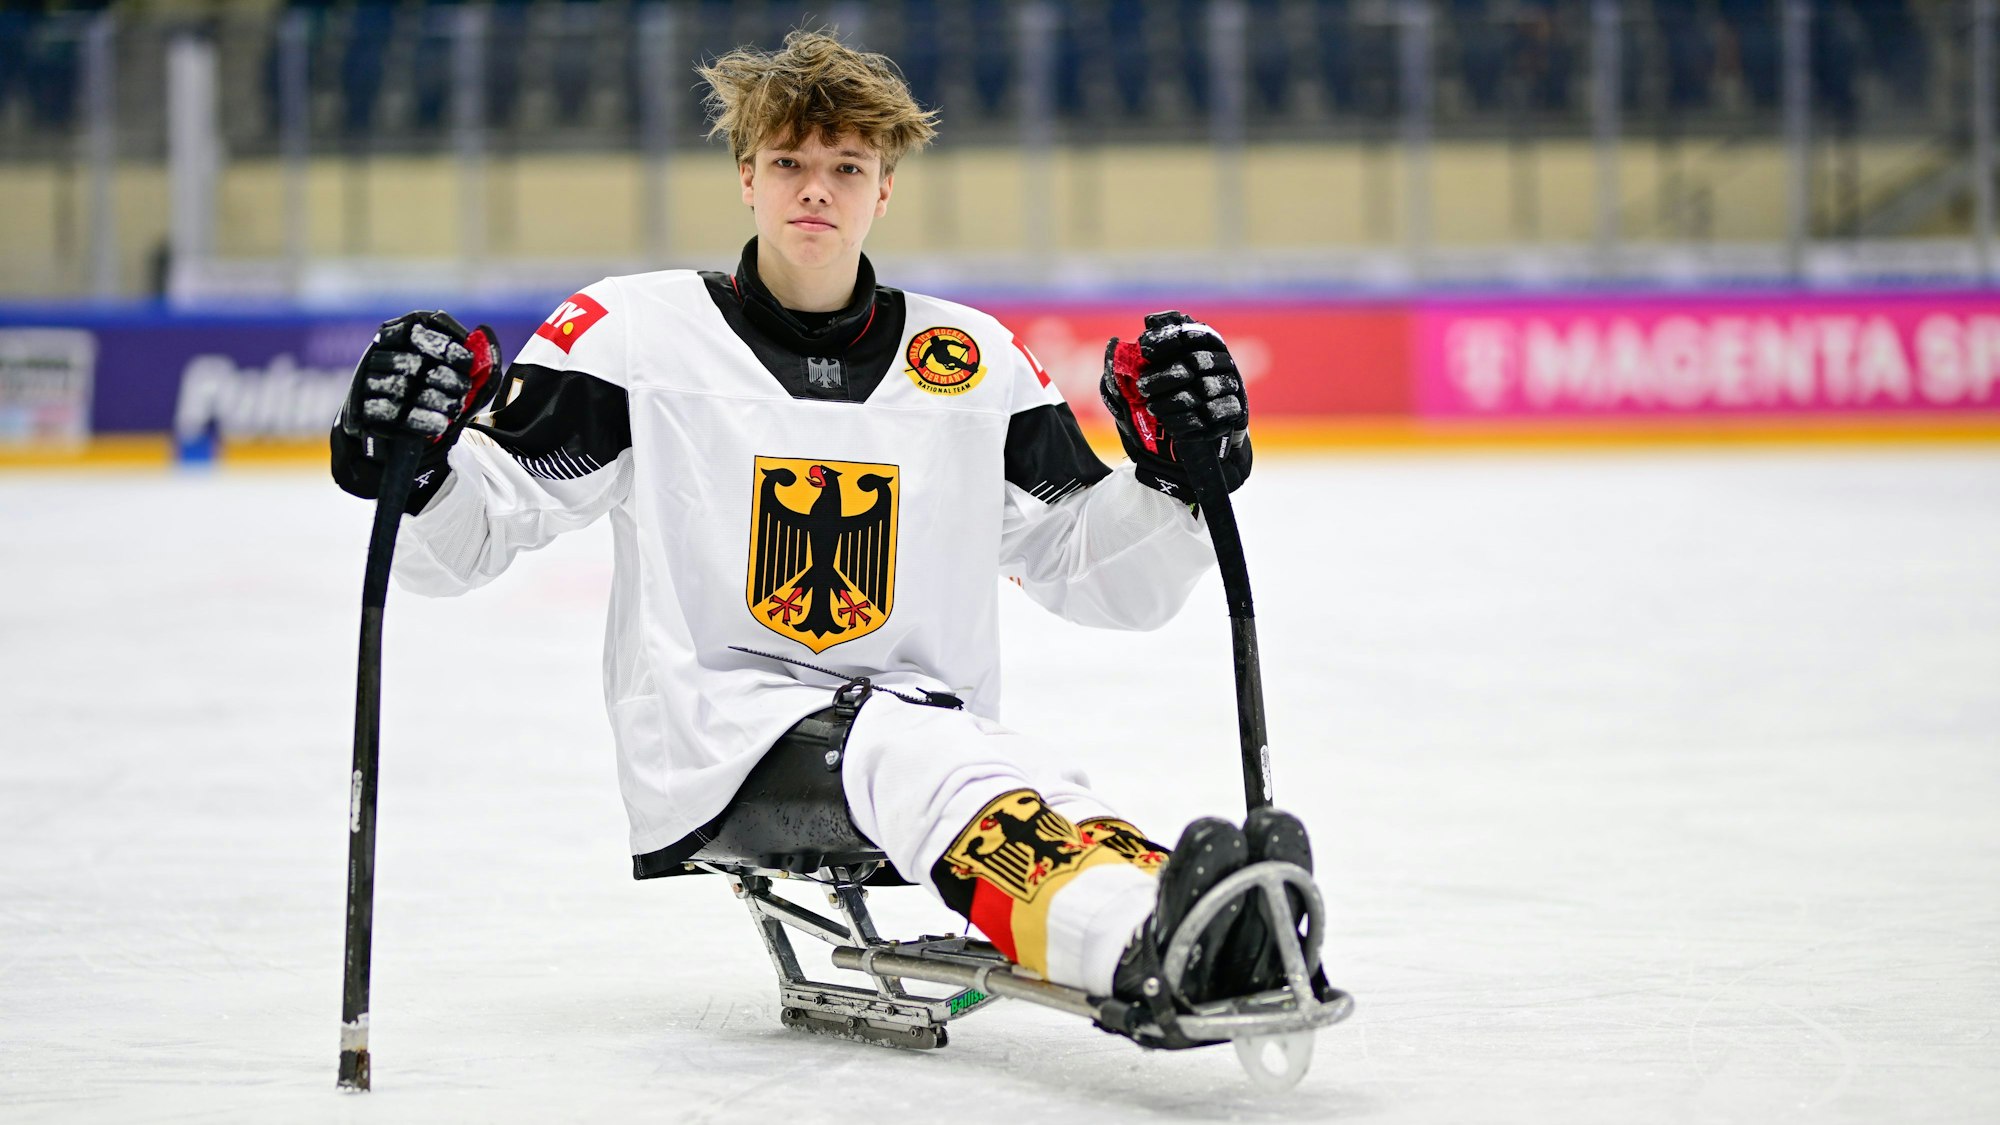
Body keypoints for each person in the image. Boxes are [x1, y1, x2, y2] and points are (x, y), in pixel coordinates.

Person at [329, 30, 1317, 1023]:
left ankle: (1217, 922)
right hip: (722, 733)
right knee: (922, 754)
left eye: (845, 166)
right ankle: (1130, 944)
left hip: (923, 728)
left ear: (882, 187)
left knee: (1022, 776)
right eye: (789, 163)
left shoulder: (968, 359)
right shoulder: (636, 335)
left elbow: (1086, 568)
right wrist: (406, 474)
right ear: (745, 177)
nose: (816, 189)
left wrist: (1176, 482)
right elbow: (479, 528)